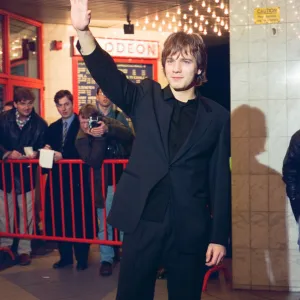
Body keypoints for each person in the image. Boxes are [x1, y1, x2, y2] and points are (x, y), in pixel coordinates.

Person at [70, 1, 230, 299]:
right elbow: (110, 76)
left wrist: (219, 237)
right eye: (171, 60)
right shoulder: (146, 96)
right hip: (143, 219)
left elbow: (220, 180)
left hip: (189, 225)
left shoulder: (217, 117)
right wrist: (84, 32)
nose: (176, 68)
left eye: (185, 61)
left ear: (199, 68)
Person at [75, 103, 133, 276]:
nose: (86, 126)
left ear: (97, 118)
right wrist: (100, 137)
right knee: (105, 224)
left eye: (89, 121)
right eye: (82, 122)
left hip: (123, 180)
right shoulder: (80, 137)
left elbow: (129, 135)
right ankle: (106, 259)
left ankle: (128, 256)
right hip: (102, 184)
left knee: (125, 221)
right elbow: (93, 160)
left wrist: (108, 129)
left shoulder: (108, 122)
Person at [44, 90, 95, 271]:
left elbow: (85, 151)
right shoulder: (53, 127)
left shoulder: (82, 124)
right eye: (59, 105)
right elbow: (46, 153)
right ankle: (65, 257)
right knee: (60, 219)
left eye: (66, 104)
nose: (63, 108)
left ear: (72, 104)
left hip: (78, 180)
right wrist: (46, 150)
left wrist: (63, 156)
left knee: (80, 219)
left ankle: (82, 258)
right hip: (57, 181)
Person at [0, 88, 47, 267]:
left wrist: (36, 153)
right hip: (4, 175)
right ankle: (5, 246)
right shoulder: (3, 119)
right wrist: (6, 153)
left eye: (29, 103)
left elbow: (44, 147)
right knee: (4, 214)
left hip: (26, 175)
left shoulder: (40, 124)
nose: (27, 107)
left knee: (26, 214)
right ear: (15, 104)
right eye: (22, 103)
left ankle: (24, 250)